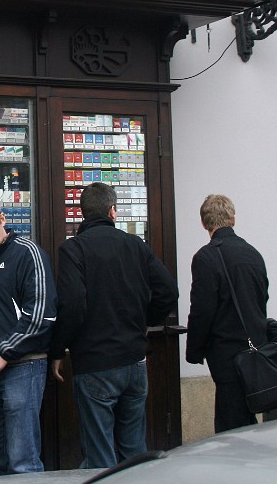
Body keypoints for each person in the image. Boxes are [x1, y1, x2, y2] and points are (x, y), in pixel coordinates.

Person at [48, 182, 178, 469]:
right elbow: (169, 291)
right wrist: (145, 320)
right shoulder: (135, 245)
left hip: (95, 363)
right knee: (134, 452)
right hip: (134, 360)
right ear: (112, 211)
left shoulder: (73, 249)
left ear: (82, 213)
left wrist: (57, 349)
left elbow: (72, 304)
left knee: (100, 455)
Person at [0, 193, 56, 475]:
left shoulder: (27, 253)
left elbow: (42, 314)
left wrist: (4, 351)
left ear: (3, 219)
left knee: (22, 460)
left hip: (22, 366)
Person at [185, 194, 269, 433]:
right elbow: (262, 297)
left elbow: (202, 310)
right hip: (255, 349)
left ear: (204, 223)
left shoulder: (206, 257)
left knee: (230, 424)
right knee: (247, 417)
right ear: (233, 219)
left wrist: (194, 350)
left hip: (225, 353)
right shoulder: (253, 253)